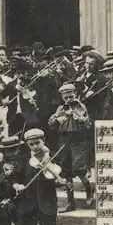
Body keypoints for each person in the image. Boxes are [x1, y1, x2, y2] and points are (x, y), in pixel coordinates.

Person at [12, 129, 65, 225]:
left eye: (37, 143)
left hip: (47, 203)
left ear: (44, 141)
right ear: (27, 144)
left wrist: (60, 180)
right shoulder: (23, 159)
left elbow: (60, 174)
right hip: (26, 203)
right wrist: (17, 185)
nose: (35, 146)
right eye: (31, 144)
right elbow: (15, 177)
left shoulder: (53, 156)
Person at [48, 84, 95, 212]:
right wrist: (57, 120)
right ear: (62, 97)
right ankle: (70, 202)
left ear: (75, 94)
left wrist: (79, 119)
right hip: (64, 141)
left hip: (78, 141)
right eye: (65, 97)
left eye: (70, 96)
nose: (68, 99)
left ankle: (89, 190)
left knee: (79, 170)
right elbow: (51, 124)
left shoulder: (80, 106)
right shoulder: (60, 108)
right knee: (67, 171)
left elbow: (87, 124)